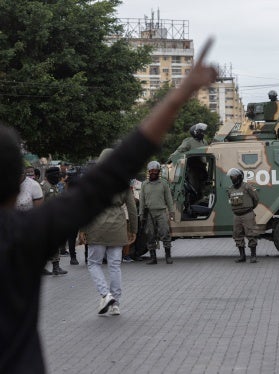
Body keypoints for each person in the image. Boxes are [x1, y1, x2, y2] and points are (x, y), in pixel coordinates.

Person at [0, 37, 217, 373]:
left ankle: (110, 295)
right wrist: (179, 94)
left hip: (108, 231)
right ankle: (113, 296)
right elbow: (114, 176)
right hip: (115, 231)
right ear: (19, 182)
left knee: (100, 262)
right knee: (112, 262)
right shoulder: (26, 234)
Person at [84, 148, 138, 315]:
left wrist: (82, 228)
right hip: (118, 226)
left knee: (94, 263)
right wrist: (133, 229)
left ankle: (105, 294)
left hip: (96, 225)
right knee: (115, 265)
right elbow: (132, 207)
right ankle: (116, 304)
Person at [139, 161, 175, 265]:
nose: (153, 172)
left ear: (158, 171)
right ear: (148, 171)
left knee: (165, 233)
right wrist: (141, 214)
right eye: (151, 171)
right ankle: (153, 258)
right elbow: (142, 201)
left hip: (161, 212)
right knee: (150, 235)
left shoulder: (163, 183)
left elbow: (169, 199)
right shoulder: (144, 184)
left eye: (155, 170)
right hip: (149, 213)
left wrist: (171, 211)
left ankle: (168, 256)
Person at [227, 168, 259, 263]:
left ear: (240, 177)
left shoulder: (247, 187)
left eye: (234, 176)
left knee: (251, 234)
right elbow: (230, 200)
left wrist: (249, 208)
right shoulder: (230, 189)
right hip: (237, 215)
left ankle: (253, 256)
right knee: (237, 235)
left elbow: (256, 199)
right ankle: (242, 256)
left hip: (247, 214)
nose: (233, 178)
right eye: (231, 177)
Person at [40, 167, 69, 275]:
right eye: (56, 176)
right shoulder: (43, 187)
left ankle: (56, 267)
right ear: (49, 176)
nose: (58, 177)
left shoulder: (54, 186)